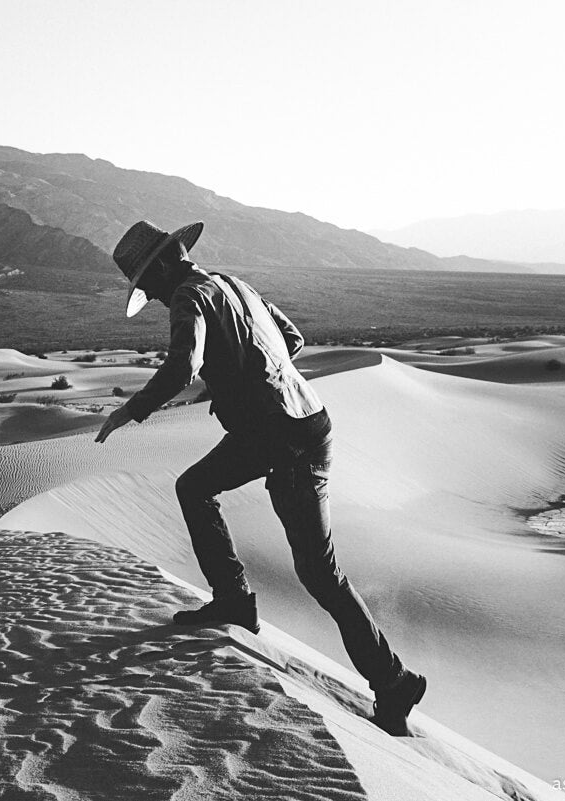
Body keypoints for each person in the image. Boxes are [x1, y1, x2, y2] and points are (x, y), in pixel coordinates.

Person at [95, 219, 427, 736]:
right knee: (203, 491)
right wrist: (249, 377)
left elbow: (183, 369)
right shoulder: (234, 284)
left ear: (162, 266)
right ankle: (238, 601)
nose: (154, 298)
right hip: (306, 421)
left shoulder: (189, 298)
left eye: (148, 284)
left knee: (317, 571)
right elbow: (291, 338)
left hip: (280, 435)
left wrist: (129, 411)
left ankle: (390, 680)